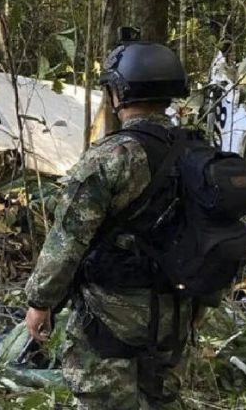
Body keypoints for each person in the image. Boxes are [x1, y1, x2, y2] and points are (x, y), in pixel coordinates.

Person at [23, 34, 217, 409]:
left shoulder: (112, 157)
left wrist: (39, 302)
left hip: (110, 319)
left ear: (119, 93)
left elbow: (67, 240)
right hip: (176, 316)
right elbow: (215, 232)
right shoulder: (199, 154)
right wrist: (203, 304)